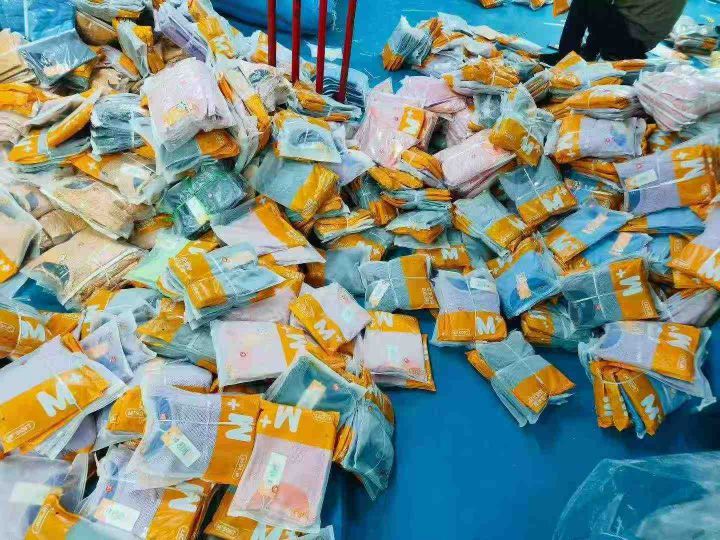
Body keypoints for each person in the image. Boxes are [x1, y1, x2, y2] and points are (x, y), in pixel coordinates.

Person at [540, 0, 687, 64]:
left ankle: (565, 57)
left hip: (628, 37)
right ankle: (589, 52)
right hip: (645, 41)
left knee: (585, 1)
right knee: (603, 8)